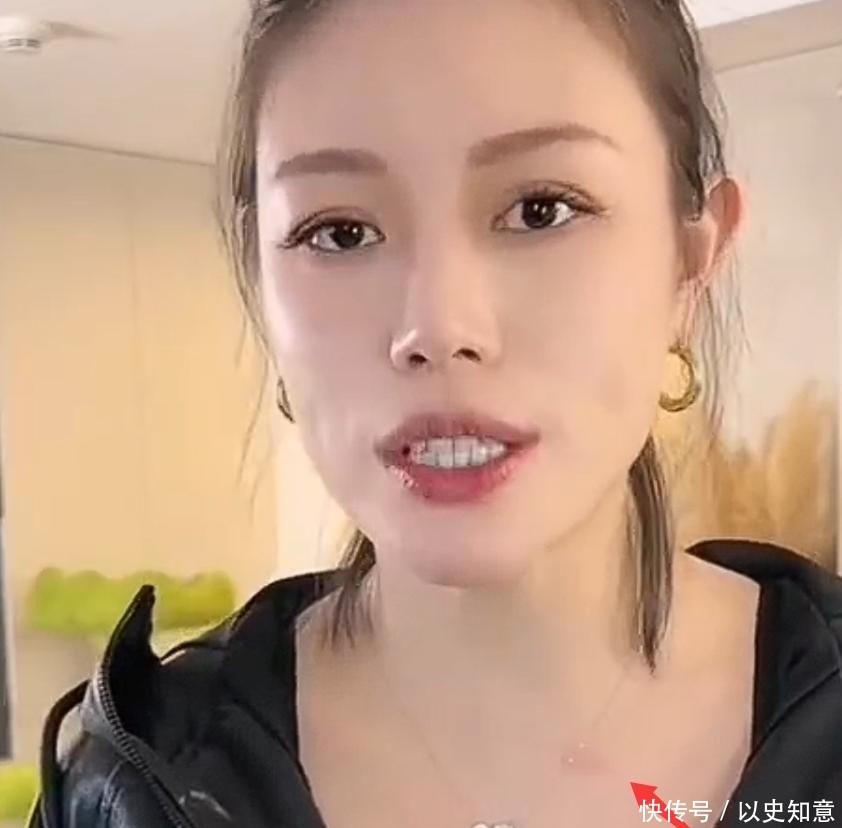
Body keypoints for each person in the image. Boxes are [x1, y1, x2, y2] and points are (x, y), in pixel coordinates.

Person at [29, 0, 842, 826]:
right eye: (340, 232)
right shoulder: (135, 789)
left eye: (542, 208)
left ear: (691, 264)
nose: (439, 328)